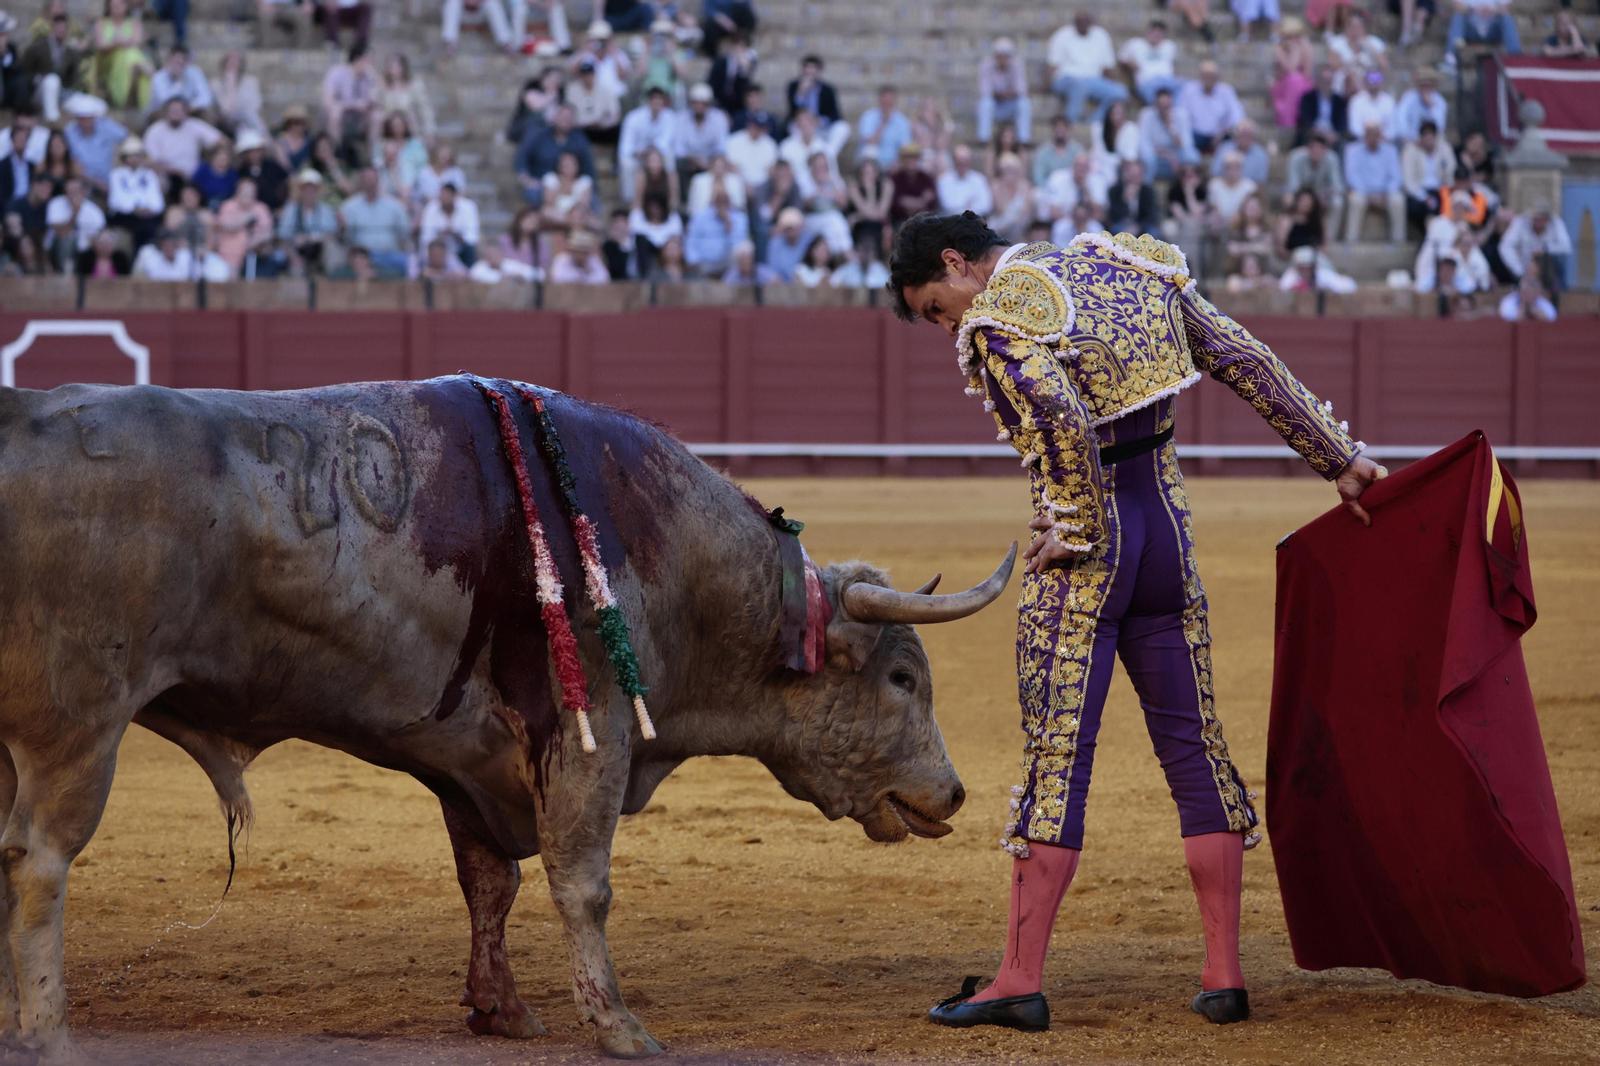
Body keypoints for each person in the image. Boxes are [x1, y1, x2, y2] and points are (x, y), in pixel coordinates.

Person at [887, 213, 1380, 1036]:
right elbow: (1243, 358)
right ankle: (1223, 974)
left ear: (956, 264)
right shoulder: (1127, 266)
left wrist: (1076, 525)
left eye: (937, 307)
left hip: (1091, 557)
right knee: (1195, 747)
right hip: (1166, 537)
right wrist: (1340, 455)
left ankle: (1018, 979)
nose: (947, 327)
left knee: (1057, 761)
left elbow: (1061, 418)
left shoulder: (1000, 315)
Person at [1047, 10, 1127, 125]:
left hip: (1093, 80)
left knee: (1120, 92)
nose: (1082, 24)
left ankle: (1093, 122)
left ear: (1091, 22)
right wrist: (1045, 86)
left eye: (1085, 21)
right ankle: (1069, 123)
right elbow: (1052, 64)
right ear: (1074, 22)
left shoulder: (1101, 35)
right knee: (1080, 86)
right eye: (1079, 21)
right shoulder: (1063, 35)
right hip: (1067, 78)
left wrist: (1109, 84)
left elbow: (1108, 67)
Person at [516, 104, 595, 206]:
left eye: (569, 117)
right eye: (563, 117)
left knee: (592, 199)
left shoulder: (580, 139)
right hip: (541, 183)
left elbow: (588, 166)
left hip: (571, 184)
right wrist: (527, 180)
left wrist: (589, 187)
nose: (566, 120)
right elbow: (521, 158)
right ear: (555, 117)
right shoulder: (538, 135)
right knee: (534, 193)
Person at [144, 98, 224, 198]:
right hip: (168, 176)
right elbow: (152, 163)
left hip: (196, 175)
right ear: (165, 112)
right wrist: (179, 173)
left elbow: (221, 140)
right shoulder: (154, 131)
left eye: (179, 110)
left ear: (186, 112)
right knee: (160, 181)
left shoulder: (194, 125)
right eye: (173, 110)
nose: (176, 113)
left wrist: (212, 157)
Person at [339, 166, 409, 276]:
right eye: (367, 180)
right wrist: (342, 228)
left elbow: (404, 234)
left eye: (372, 180)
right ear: (361, 182)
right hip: (362, 257)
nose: (370, 184)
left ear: (378, 181)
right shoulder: (349, 207)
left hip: (390, 255)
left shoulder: (395, 206)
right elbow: (346, 238)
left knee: (409, 264)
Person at [20, 8, 88, 122]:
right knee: (52, 80)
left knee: (95, 105)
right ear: (52, 27)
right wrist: (39, 79)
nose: (61, 30)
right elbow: (26, 72)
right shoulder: (37, 48)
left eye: (64, 28)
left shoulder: (71, 52)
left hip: (62, 93)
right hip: (40, 92)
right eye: (59, 27)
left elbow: (73, 78)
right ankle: (52, 120)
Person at [1342, 121, 1403, 244]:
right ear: (1364, 135)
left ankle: (1398, 242)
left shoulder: (1391, 151)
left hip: (1385, 193)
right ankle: (1351, 242)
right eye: (1369, 134)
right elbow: (1351, 177)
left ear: (1381, 135)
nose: (1373, 137)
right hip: (1362, 192)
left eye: (1376, 134)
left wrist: (1384, 194)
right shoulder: (1352, 150)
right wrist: (1369, 195)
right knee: (1356, 200)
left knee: (1398, 200)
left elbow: (1396, 177)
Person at [618, 86, 677, 202]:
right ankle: (631, 201)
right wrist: (638, 153)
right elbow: (625, 147)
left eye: (659, 100)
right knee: (626, 163)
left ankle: (671, 200)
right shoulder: (633, 118)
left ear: (663, 102)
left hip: (659, 156)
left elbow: (665, 142)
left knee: (670, 160)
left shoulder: (670, 117)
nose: (656, 103)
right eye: (654, 99)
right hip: (638, 157)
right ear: (648, 101)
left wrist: (651, 153)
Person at [91, 0, 152, 110]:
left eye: (120, 5)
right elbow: (100, 46)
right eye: (114, 5)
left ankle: (130, 91)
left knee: (129, 54)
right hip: (108, 61)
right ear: (108, 7)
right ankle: (141, 67)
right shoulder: (101, 23)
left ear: (126, 6)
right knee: (129, 53)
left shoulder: (134, 22)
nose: (118, 8)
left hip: (128, 59)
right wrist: (116, 43)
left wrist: (122, 41)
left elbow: (138, 42)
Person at [277, 168, 339, 275]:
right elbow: (282, 237)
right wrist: (293, 256)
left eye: (312, 189)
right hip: (298, 252)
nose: (309, 192)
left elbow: (330, 234)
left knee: (332, 250)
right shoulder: (291, 210)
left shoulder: (326, 210)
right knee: (296, 269)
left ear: (317, 191)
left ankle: (332, 279)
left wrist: (309, 238)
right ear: (301, 190)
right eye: (306, 189)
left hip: (320, 252)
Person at [1500, 203, 1573, 291]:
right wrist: (1519, 271)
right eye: (1536, 217)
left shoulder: (1556, 223)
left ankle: (1558, 289)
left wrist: (1544, 249)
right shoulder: (1520, 222)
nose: (1539, 220)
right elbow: (1504, 247)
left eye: (1542, 218)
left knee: (1559, 258)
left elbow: (1567, 247)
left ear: (1547, 218)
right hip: (1523, 269)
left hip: (1548, 270)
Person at [107, 135, 163, 249]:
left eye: (137, 155)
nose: (134, 159)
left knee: (149, 223)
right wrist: (134, 209)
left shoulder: (149, 174)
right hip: (125, 214)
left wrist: (150, 209)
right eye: (130, 155)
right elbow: (115, 200)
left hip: (146, 214)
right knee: (140, 225)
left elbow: (157, 200)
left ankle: (146, 254)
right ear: (124, 158)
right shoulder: (116, 174)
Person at [1179, 62, 1246, 154]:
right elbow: (1183, 115)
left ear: (1218, 77)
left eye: (1212, 76)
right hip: (1195, 135)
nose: (1209, 79)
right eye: (1206, 75)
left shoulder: (1226, 91)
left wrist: (1224, 131)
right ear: (1200, 76)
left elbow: (1237, 116)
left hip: (1219, 136)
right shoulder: (1189, 90)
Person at [1285, 132, 1345, 234]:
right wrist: (1310, 198)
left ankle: (1329, 236)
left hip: (1323, 196)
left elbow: (1338, 187)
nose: (1317, 152)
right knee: (1288, 200)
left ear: (1325, 149)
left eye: (1320, 149)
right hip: (1302, 195)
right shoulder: (1295, 157)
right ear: (1308, 148)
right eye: (1314, 149)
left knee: (1337, 202)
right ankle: (1290, 234)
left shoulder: (1332, 158)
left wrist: (1325, 194)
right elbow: (1293, 186)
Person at [1401, 120, 1455, 232]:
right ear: (1421, 137)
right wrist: (1424, 197)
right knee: (1415, 207)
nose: (1429, 139)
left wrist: (1445, 190)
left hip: (1440, 190)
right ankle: (1428, 234)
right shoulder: (1411, 151)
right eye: (1426, 135)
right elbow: (1408, 181)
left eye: (1432, 135)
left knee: (1444, 205)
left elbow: (1451, 172)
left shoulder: (1444, 149)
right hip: (1419, 192)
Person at [212, 175, 273, 275]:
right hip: (229, 255)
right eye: (244, 191)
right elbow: (226, 226)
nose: (247, 194)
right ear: (237, 192)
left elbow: (268, 232)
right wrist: (246, 218)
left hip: (257, 254)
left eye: (250, 192)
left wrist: (256, 241)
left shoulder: (261, 208)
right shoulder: (228, 205)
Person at [684, 182, 748, 277]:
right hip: (703, 265)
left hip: (730, 266)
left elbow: (740, 248)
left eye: (724, 198)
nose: (722, 203)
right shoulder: (699, 217)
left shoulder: (740, 218)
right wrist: (695, 262)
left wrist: (728, 226)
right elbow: (691, 242)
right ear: (713, 199)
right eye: (719, 198)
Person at [1138, 87, 1199, 182]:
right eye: (1162, 106)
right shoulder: (1146, 115)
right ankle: (1146, 186)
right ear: (1156, 105)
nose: (1165, 109)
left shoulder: (1181, 115)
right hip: (1156, 157)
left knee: (1192, 156)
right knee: (1147, 158)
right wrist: (1168, 155)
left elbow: (1186, 144)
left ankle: (1188, 186)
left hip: (1177, 156)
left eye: (1168, 106)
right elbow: (1144, 144)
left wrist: (1171, 127)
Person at [675, 83, 729, 189]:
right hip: (689, 161)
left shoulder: (719, 118)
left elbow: (722, 146)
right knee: (678, 165)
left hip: (711, 160)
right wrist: (695, 160)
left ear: (709, 104)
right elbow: (679, 149)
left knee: (722, 164)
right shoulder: (681, 118)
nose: (699, 107)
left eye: (703, 103)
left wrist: (710, 162)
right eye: (695, 103)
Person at [977, 39, 1031, 145]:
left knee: (1024, 103)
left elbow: (1022, 90)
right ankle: (984, 138)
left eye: (1005, 56)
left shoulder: (1017, 65)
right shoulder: (986, 65)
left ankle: (1024, 139)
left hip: (1011, 106)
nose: (1002, 60)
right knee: (985, 103)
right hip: (995, 106)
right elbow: (985, 91)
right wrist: (1002, 94)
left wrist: (1008, 94)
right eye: (1000, 56)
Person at [46, 175, 105, 272]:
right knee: (66, 242)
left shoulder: (94, 211)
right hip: (58, 249)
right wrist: (75, 213)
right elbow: (62, 233)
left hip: (86, 251)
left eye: (75, 191)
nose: (72, 195)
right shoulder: (55, 204)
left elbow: (100, 235)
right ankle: (64, 275)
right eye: (69, 191)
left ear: (84, 192)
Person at [1443, 0, 1521, 72]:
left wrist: (1490, 11)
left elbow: (1505, 9)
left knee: (1507, 18)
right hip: (1471, 30)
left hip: (1493, 30)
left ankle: (1515, 57)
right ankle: (1453, 56)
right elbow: (1458, 7)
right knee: (1458, 17)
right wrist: (1474, 10)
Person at [375, 53, 434, 146]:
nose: (394, 69)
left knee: (412, 119)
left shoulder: (414, 84)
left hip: (408, 119)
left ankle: (416, 150)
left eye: (397, 66)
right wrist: (380, 86)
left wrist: (429, 131)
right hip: (388, 120)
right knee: (376, 117)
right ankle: (376, 151)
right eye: (391, 66)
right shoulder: (382, 84)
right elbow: (373, 101)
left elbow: (425, 108)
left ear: (403, 67)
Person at [784, 55, 844, 146]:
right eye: (807, 68)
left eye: (813, 68)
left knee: (842, 127)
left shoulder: (827, 89)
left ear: (819, 71)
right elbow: (793, 110)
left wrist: (820, 121)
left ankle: (828, 153)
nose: (810, 71)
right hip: (801, 125)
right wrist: (801, 93)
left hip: (821, 126)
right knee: (792, 127)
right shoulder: (794, 86)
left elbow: (835, 114)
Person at [419, 181, 480, 266]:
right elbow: (426, 236)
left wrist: (454, 235)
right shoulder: (431, 207)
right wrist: (440, 237)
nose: (443, 199)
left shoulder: (468, 207)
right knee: (427, 250)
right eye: (441, 195)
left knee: (470, 249)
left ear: (454, 196)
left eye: (446, 196)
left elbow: (472, 238)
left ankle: (469, 272)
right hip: (438, 248)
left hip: (460, 248)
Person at [1326, 9, 1387, 94]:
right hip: (1346, 80)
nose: (1355, 30)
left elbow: (1384, 66)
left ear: (1364, 27)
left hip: (1370, 78)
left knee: (1374, 76)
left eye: (1359, 27)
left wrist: (1368, 46)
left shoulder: (1374, 42)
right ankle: (1364, 98)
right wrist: (1352, 64)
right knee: (1354, 75)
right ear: (1346, 27)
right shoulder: (1337, 43)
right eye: (1352, 27)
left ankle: (1366, 97)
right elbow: (1332, 65)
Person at [1120, 19, 1180, 105]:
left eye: (1159, 33)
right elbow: (1122, 58)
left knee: (1188, 88)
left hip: (1168, 81)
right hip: (1147, 82)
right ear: (1147, 32)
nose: (1156, 36)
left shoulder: (1169, 45)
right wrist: (1129, 64)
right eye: (1153, 33)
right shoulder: (1135, 44)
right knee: (1160, 99)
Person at [1271, 17, 1315, 132]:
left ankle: (1301, 119)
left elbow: (1307, 73)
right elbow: (1290, 69)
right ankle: (1288, 122)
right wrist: (1294, 51)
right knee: (1293, 79)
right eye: (1289, 36)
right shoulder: (1279, 49)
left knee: (1296, 81)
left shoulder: (1306, 47)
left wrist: (1301, 50)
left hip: (1303, 84)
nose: (1293, 39)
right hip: (1283, 86)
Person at [857, 84, 914, 169]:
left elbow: (905, 147)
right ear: (880, 100)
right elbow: (870, 142)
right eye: (885, 100)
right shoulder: (868, 117)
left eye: (890, 100)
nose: (888, 103)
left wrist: (897, 162)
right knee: (870, 150)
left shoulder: (902, 121)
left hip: (894, 164)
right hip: (871, 163)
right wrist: (883, 123)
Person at [567, 57, 622, 143]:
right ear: (580, 75)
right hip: (579, 128)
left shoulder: (605, 90)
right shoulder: (572, 90)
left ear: (594, 74)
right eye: (584, 74)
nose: (587, 77)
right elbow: (567, 111)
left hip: (601, 129)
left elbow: (614, 113)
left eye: (590, 74)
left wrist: (605, 124)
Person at [149, 45, 212, 116]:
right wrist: (178, 82)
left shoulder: (195, 72)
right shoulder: (159, 77)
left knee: (206, 113)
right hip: (164, 114)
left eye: (182, 61)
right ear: (169, 60)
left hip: (190, 111)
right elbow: (164, 101)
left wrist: (190, 106)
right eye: (176, 61)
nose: (179, 65)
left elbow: (206, 98)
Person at [235, 128, 288, 211]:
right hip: (251, 212)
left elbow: (287, 181)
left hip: (276, 209)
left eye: (257, 151)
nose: (254, 154)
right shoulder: (242, 171)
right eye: (250, 151)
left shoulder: (272, 166)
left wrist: (283, 207)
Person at [1295, 65, 1348, 147]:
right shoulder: (1308, 98)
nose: (1326, 83)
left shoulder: (1339, 101)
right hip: (1313, 135)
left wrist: (1334, 135)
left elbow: (1341, 123)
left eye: (1329, 80)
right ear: (1317, 80)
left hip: (1332, 136)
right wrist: (1318, 133)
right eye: (1323, 79)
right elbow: (1305, 119)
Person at [889, 142, 937, 230]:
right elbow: (895, 203)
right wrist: (921, 201)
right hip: (900, 221)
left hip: (924, 221)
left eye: (914, 158)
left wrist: (908, 202)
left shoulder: (926, 178)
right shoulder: (895, 178)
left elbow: (932, 201)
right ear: (902, 160)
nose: (911, 162)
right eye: (908, 158)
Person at [725, 107, 777, 189]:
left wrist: (759, 187)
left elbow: (771, 169)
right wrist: (745, 185)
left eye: (761, 127)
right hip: (740, 183)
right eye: (756, 126)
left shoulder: (770, 143)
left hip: (763, 186)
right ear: (749, 125)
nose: (758, 130)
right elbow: (733, 167)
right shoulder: (734, 140)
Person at [1107, 158, 1161, 235]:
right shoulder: (1115, 190)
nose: (1134, 179)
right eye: (1132, 175)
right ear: (1125, 174)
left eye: (1137, 176)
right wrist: (1125, 201)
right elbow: (1114, 217)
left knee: (1153, 232)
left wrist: (1138, 227)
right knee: (1116, 230)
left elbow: (1151, 216)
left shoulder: (1148, 191)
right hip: (1123, 224)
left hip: (1142, 225)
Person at [988, 152, 1033, 242]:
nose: (1010, 173)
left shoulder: (1026, 185)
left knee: (1018, 225)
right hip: (1001, 220)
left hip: (1021, 222)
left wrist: (1015, 221)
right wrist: (1004, 188)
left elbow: (1026, 211)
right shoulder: (995, 185)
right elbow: (999, 209)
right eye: (1007, 170)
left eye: (1013, 170)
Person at [1394, 68, 1447, 145]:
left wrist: (1431, 106)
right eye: (1422, 84)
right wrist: (1412, 138)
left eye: (1428, 84)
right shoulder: (1408, 97)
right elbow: (1401, 120)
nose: (1425, 87)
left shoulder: (1440, 101)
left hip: (1433, 143)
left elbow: (1441, 125)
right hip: (1412, 142)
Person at [441, 0, 515, 55]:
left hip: (481, 14)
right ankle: (450, 44)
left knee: (493, 3)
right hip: (463, 14)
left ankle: (506, 43)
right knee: (452, 2)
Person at [937, 144, 992, 217]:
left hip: (975, 220)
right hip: (951, 221)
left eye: (965, 162)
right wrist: (969, 205)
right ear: (954, 162)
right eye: (959, 162)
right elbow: (948, 205)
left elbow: (986, 205)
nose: (962, 165)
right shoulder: (943, 180)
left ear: (969, 162)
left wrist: (966, 209)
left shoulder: (979, 179)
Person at [1346, 69, 1396, 145]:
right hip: (1361, 143)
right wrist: (1369, 138)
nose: (1375, 82)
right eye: (1371, 79)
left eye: (1378, 79)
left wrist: (1380, 138)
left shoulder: (1389, 101)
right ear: (1365, 81)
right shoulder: (1356, 101)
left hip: (1385, 143)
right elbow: (1354, 127)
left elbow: (1393, 128)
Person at [1031, 116, 1080, 189]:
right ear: (1052, 130)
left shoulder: (1077, 151)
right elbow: (1038, 177)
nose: (1060, 132)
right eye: (1057, 129)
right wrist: (1051, 188)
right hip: (1049, 189)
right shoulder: (1042, 152)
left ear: (1068, 130)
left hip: (1072, 189)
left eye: (1063, 129)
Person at [763, 205, 806, 281]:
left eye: (793, 227)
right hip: (782, 285)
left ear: (800, 227)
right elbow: (773, 271)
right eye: (787, 228)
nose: (791, 231)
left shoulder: (809, 242)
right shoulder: (775, 244)